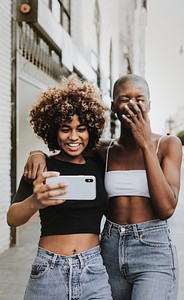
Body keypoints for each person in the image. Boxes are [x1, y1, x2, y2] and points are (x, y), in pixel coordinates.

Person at [23, 74, 182, 300]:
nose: (133, 105)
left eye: (140, 99)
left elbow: (167, 209)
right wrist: (37, 153)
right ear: (113, 106)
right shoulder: (104, 150)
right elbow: (69, 146)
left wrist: (145, 144)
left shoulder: (167, 144)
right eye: (124, 98)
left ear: (149, 104)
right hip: (110, 246)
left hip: (152, 249)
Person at [7, 74, 112, 300]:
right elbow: (12, 218)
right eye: (65, 129)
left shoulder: (100, 163)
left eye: (81, 128)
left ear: (91, 130)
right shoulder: (41, 167)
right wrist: (35, 201)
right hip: (48, 271)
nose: (73, 136)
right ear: (53, 130)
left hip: (93, 270)